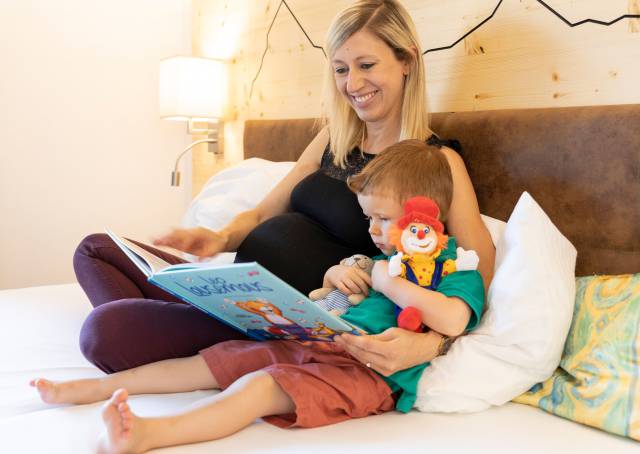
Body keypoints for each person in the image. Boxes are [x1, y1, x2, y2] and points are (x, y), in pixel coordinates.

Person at [73, 0, 495, 376]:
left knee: (103, 333)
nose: (352, 84)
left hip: (290, 313)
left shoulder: (435, 162)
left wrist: (432, 343)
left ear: (406, 61)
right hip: (238, 284)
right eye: (341, 69)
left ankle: (191, 333)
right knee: (95, 250)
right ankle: (182, 322)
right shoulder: (334, 138)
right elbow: (260, 214)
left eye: (367, 65)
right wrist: (215, 238)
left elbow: (479, 268)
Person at [32, 140, 484, 453]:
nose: (372, 231)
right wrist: (335, 278)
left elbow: (455, 319)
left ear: (425, 214)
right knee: (215, 359)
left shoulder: (452, 268)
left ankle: (148, 434)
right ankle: (92, 387)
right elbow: (330, 294)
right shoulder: (379, 256)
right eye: (369, 218)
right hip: (308, 337)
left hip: (365, 374)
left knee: (258, 386)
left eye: (382, 219)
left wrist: (390, 283)